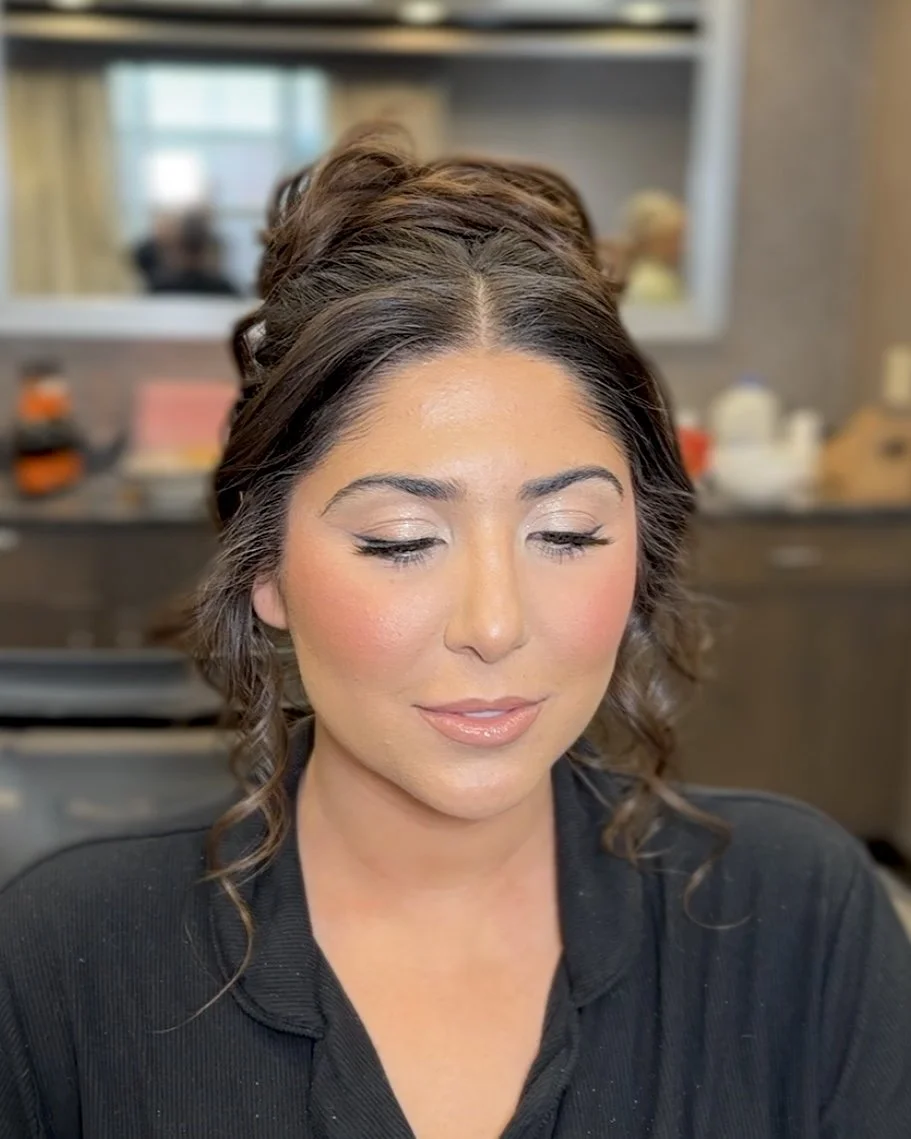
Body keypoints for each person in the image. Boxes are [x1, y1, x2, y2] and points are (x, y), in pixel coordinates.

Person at [1, 127, 910, 1138]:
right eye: (401, 540)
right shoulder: (63, 962)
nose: (493, 623)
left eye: (565, 533)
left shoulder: (798, 919)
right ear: (267, 569)